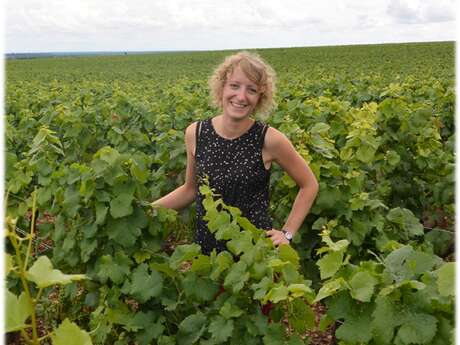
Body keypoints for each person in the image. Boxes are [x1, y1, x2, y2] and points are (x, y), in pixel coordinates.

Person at [152, 51, 319, 255]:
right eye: (234, 86)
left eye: (251, 90)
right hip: (208, 249)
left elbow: (309, 184)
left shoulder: (269, 139)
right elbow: (190, 189)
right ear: (221, 88)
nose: (241, 96)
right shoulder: (196, 133)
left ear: (259, 97)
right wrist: (149, 210)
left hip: (255, 251)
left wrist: (287, 233)